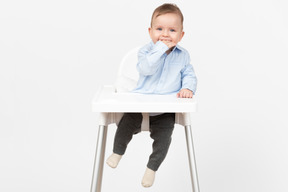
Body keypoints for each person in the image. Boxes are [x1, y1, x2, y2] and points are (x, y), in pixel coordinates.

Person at [106, 3, 197, 187]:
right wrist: (160, 49)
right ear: (150, 32)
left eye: (172, 30)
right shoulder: (146, 52)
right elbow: (146, 69)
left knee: (164, 138)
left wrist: (188, 88)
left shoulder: (183, 56)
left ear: (181, 35)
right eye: (159, 29)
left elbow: (189, 74)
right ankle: (117, 152)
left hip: (165, 108)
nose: (165, 34)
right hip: (141, 103)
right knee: (125, 125)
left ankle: (152, 168)